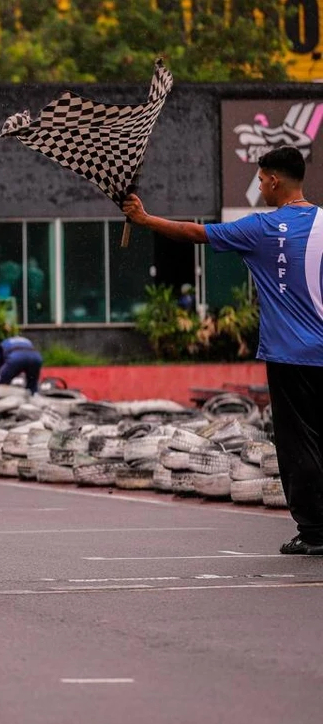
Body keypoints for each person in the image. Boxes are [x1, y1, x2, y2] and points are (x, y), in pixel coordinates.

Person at [123, 145, 323, 556]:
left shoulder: (262, 229)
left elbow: (196, 233)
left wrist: (144, 219)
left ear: (273, 180)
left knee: (299, 443)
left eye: (261, 179)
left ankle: (316, 531)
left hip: (291, 356)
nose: (260, 186)